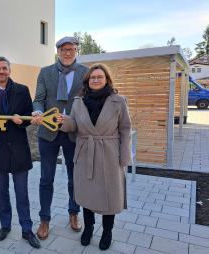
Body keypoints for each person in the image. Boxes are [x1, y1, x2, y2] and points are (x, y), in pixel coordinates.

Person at [60, 63, 131, 250]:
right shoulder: (78, 101)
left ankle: (107, 231)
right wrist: (63, 121)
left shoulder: (118, 101)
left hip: (109, 154)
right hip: (85, 153)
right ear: (87, 81)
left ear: (107, 79)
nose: (96, 80)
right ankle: (88, 228)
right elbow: (74, 125)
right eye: (93, 77)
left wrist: (124, 158)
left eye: (100, 77)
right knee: (87, 194)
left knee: (110, 195)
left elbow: (125, 129)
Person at [0, 56, 40, 249]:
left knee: (22, 193)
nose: (1, 71)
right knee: (2, 193)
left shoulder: (22, 90)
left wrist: (24, 121)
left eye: (4, 68)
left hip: (19, 150)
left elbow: (29, 116)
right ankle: (5, 226)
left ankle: (27, 229)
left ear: (9, 70)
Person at [31, 36, 89, 239]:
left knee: (75, 178)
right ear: (58, 51)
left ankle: (74, 213)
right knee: (46, 178)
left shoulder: (85, 72)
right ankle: (44, 219)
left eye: (72, 49)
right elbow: (38, 100)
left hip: (74, 132)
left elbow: (89, 100)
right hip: (48, 133)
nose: (68, 52)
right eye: (64, 49)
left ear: (76, 51)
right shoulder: (45, 72)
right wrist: (37, 112)